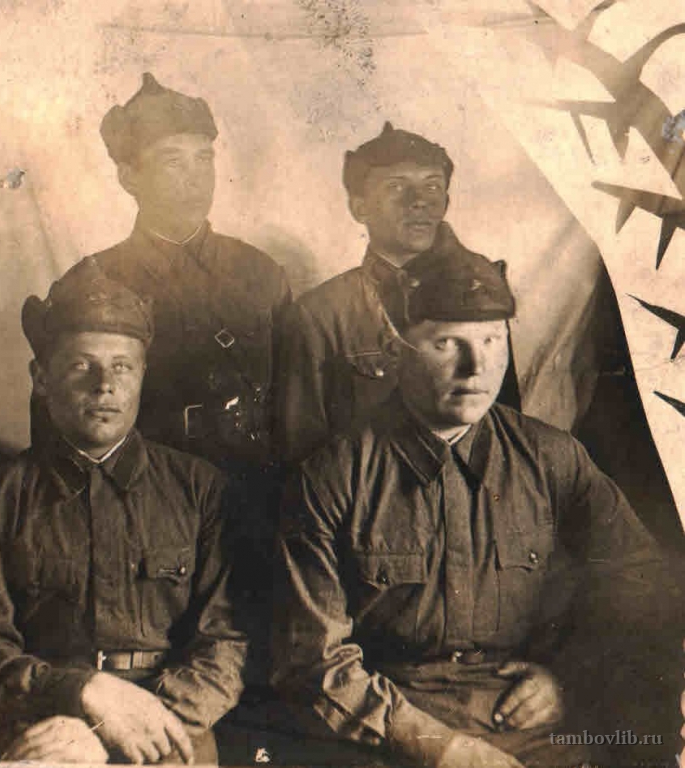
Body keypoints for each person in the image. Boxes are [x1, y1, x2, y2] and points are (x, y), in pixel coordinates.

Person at [270, 243, 661, 767]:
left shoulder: (552, 458)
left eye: (492, 339)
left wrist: (569, 676)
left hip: (528, 725)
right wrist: (440, 747)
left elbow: (640, 579)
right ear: (397, 348)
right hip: (388, 731)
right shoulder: (332, 478)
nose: (476, 367)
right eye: (446, 343)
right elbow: (312, 661)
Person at [0, 265, 247, 764]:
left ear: (143, 374)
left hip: (171, 731)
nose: (105, 385)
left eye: (123, 367)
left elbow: (227, 647)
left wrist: (124, 725)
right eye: (82, 365)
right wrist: (79, 695)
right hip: (46, 729)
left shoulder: (201, 490)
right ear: (42, 378)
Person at [46, 72, 291, 473]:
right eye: (173, 161)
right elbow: (56, 431)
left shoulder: (260, 274)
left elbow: (294, 410)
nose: (195, 176)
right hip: (140, 489)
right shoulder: (89, 283)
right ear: (129, 177)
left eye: (204, 159)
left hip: (251, 487)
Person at [274, 122, 519, 463]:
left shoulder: (482, 291)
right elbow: (301, 450)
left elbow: (504, 432)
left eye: (432, 186)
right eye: (396, 186)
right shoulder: (321, 315)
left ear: (446, 202)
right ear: (359, 207)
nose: (419, 201)